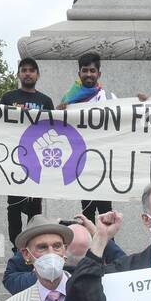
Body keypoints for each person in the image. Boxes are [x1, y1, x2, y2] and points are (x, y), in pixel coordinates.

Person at [1, 58, 55, 248]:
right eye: (24, 70)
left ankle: (34, 245)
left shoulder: (45, 101)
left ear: (37, 75)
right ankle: (17, 247)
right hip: (14, 161)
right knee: (14, 207)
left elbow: (52, 129)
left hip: (36, 162)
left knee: (34, 208)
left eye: (32, 70)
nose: (28, 73)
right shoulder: (7, 99)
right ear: (18, 74)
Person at [59, 52, 117, 223]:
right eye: (85, 70)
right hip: (82, 163)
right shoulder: (68, 100)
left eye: (92, 70)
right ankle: (90, 248)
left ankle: (108, 248)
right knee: (87, 211)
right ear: (79, 74)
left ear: (99, 73)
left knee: (106, 212)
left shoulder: (108, 98)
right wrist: (59, 112)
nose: (89, 74)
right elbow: (61, 128)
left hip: (103, 163)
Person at [2, 214, 123, 295]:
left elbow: (10, 277)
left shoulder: (33, 280)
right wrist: (100, 236)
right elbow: (126, 268)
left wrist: (39, 232)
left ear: (65, 250)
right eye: (43, 247)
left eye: (56, 246)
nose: (51, 253)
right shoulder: (93, 281)